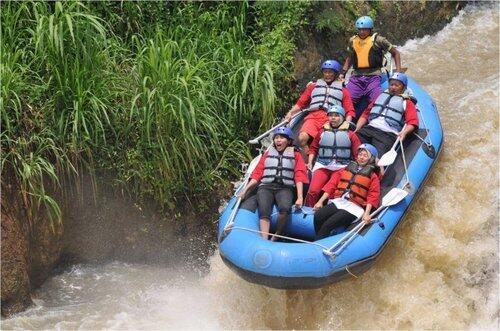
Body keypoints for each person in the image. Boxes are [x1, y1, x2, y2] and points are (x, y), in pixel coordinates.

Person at [238, 127, 309, 241]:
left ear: (289, 141)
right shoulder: (267, 154)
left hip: (285, 188)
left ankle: (277, 233)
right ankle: (264, 240)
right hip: (266, 187)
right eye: (276, 137)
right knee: (264, 210)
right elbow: (257, 174)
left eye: (282, 138)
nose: (278, 140)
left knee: (285, 209)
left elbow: (299, 176)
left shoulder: (296, 155)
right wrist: (245, 191)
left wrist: (300, 197)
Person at [284, 60, 356, 158]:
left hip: (331, 119)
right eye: (325, 72)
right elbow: (300, 103)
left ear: (336, 73)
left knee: (325, 143)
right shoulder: (313, 86)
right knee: (302, 139)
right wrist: (290, 113)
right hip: (313, 117)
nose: (327, 74)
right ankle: (307, 166)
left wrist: (347, 123)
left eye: (330, 72)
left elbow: (349, 110)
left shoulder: (343, 90)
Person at [313, 144, 380, 240]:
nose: (361, 157)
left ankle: (318, 244)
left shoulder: (373, 176)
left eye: (365, 156)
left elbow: (373, 195)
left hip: (355, 208)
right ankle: (321, 239)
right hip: (340, 201)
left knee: (328, 224)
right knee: (318, 216)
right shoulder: (345, 169)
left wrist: (367, 213)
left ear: (371, 159)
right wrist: (320, 201)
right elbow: (331, 185)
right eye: (360, 154)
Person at [339, 16, 402, 117]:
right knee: (347, 100)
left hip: (374, 75)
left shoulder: (379, 40)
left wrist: (398, 73)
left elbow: (396, 53)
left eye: (365, 29)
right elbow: (350, 57)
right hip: (356, 76)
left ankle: (376, 120)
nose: (362, 32)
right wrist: (343, 73)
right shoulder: (353, 40)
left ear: (370, 29)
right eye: (360, 29)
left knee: (377, 101)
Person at [305, 105, 361, 207]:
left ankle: (324, 211)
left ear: (342, 117)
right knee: (313, 190)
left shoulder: (351, 134)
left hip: (341, 166)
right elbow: (313, 148)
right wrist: (309, 162)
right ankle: (308, 210)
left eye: (336, 115)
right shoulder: (322, 132)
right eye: (330, 115)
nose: (333, 118)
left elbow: (357, 153)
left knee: (330, 189)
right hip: (323, 165)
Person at [355, 72, 419, 157]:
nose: (393, 87)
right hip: (369, 129)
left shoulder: (407, 102)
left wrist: (404, 133)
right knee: (353, 146)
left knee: (375, 158)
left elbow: (412, 122)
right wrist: (357, 129)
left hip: (387, 134)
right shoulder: (380, 97)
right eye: (391, 84)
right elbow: (365, 114)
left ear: (403, 87)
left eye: (397, 85)